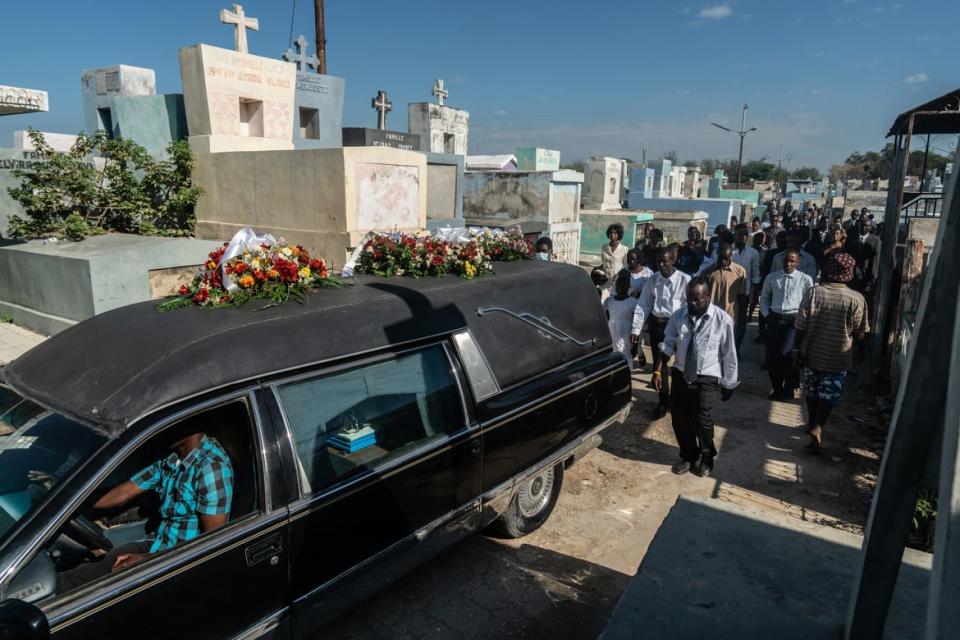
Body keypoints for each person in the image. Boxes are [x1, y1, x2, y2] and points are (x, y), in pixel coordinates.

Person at [57, 426, 234, 592]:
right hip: (159, 545)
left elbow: (212, 544)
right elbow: (120, 494)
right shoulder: (170, 458)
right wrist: (66, 495)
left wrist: (148, 561)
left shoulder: (211, 468)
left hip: (182, 562)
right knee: (80, 575)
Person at [658, 277, 738, 477]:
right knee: (679, 418)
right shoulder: (678, 317)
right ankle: (688, 455)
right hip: (681, 373)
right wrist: (658, 370)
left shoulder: (722, 320)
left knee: (702, 419)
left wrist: (729, 382)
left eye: (697, 300)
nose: (692, 304)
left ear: (708, 296)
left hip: (707, 377)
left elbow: (729, 353)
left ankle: (707, 454)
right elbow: (667, 343)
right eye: (689, 299)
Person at [793, 253, 868, 451]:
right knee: (829, 393)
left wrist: (796, 348)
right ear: (850, 274)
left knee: (811, 389)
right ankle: (818, 426)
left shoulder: (814, 293)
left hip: (812, 352)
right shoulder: (857, 299)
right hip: (839, 357)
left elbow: (800, 325)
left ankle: (811, 423)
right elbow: (860, 332)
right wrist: (858, 351)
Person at [631, 248, 691, 418]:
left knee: (680, 365)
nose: (662, 265)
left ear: (673, 261)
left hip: (678, 327)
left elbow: (690, 307)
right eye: (659, 262)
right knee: (660, 366)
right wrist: (636, 328)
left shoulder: (685, 280)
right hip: (657, 326)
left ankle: (680, 401)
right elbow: (644, 305)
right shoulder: (653, 280)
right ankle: (663, 402)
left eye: (665, 261)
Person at [760, 249, 814, 400]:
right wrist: (767, 315)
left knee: (786, 354)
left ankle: (789, 387)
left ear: (798, 262)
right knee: (771, 356)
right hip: (775, 319)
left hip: (793, 321)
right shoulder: (772, 278)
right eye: (786, 261)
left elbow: (808, 303)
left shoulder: (805, 279)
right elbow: (764, 298)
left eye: (792, 261)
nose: (788, 264)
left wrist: (803, 320)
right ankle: (777, 387)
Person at [732, 224, 761, 350]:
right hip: (728, 291)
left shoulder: (753, 253)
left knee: (741, 321)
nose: (743, 237)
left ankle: (737, 346)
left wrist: (755, 295)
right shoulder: (729, 251)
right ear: (735, 235)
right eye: (740, 234)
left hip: (744, 291)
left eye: (745, 234)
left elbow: (755, 274)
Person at [604, 271, 640, 371]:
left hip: (626, 337)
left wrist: (636, 346)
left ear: (628, 287)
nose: (621, 287)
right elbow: (605, 317)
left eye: (624, 285)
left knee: (625, 361)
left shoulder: (633, 303)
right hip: (611, 336)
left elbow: (637, 325)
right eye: (619, 285)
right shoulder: (609, 301)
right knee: (611, 362)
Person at [701, 243, 746, 319]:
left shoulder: (740, 272)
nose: (722, 261)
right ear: (717, 254)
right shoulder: (707, 272)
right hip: (712, 315)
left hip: (730, 314)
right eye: (720, 258)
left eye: (725, 258)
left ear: (731, 255)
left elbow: (741, 296)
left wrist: (741, 316)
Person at [626, 249, 653, 367]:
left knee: (639, 333)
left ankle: (639, 351)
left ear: (639, 259)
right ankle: (632, 354)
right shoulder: (624, 272)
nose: (630, 261)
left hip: (642, 308)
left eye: (633, 258)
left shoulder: (647, 273)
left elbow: (651, 291)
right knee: (629, 333)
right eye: (628, 258)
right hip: (627, 307)